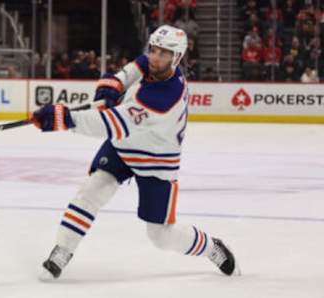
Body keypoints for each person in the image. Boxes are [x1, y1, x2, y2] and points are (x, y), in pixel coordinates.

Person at [32, 25, 240, 281]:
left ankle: (211, 247)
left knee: (161, 236)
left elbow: (108, 123)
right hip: (124, 146)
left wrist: (63, 118)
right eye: (153, 50)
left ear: (176, 58)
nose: (155, 57)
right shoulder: (151, 63)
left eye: (163, 54)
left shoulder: (163, 98)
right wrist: (113, 84)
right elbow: (132, 69)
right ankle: (62, 251)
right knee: (91, 191)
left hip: (156, 160)